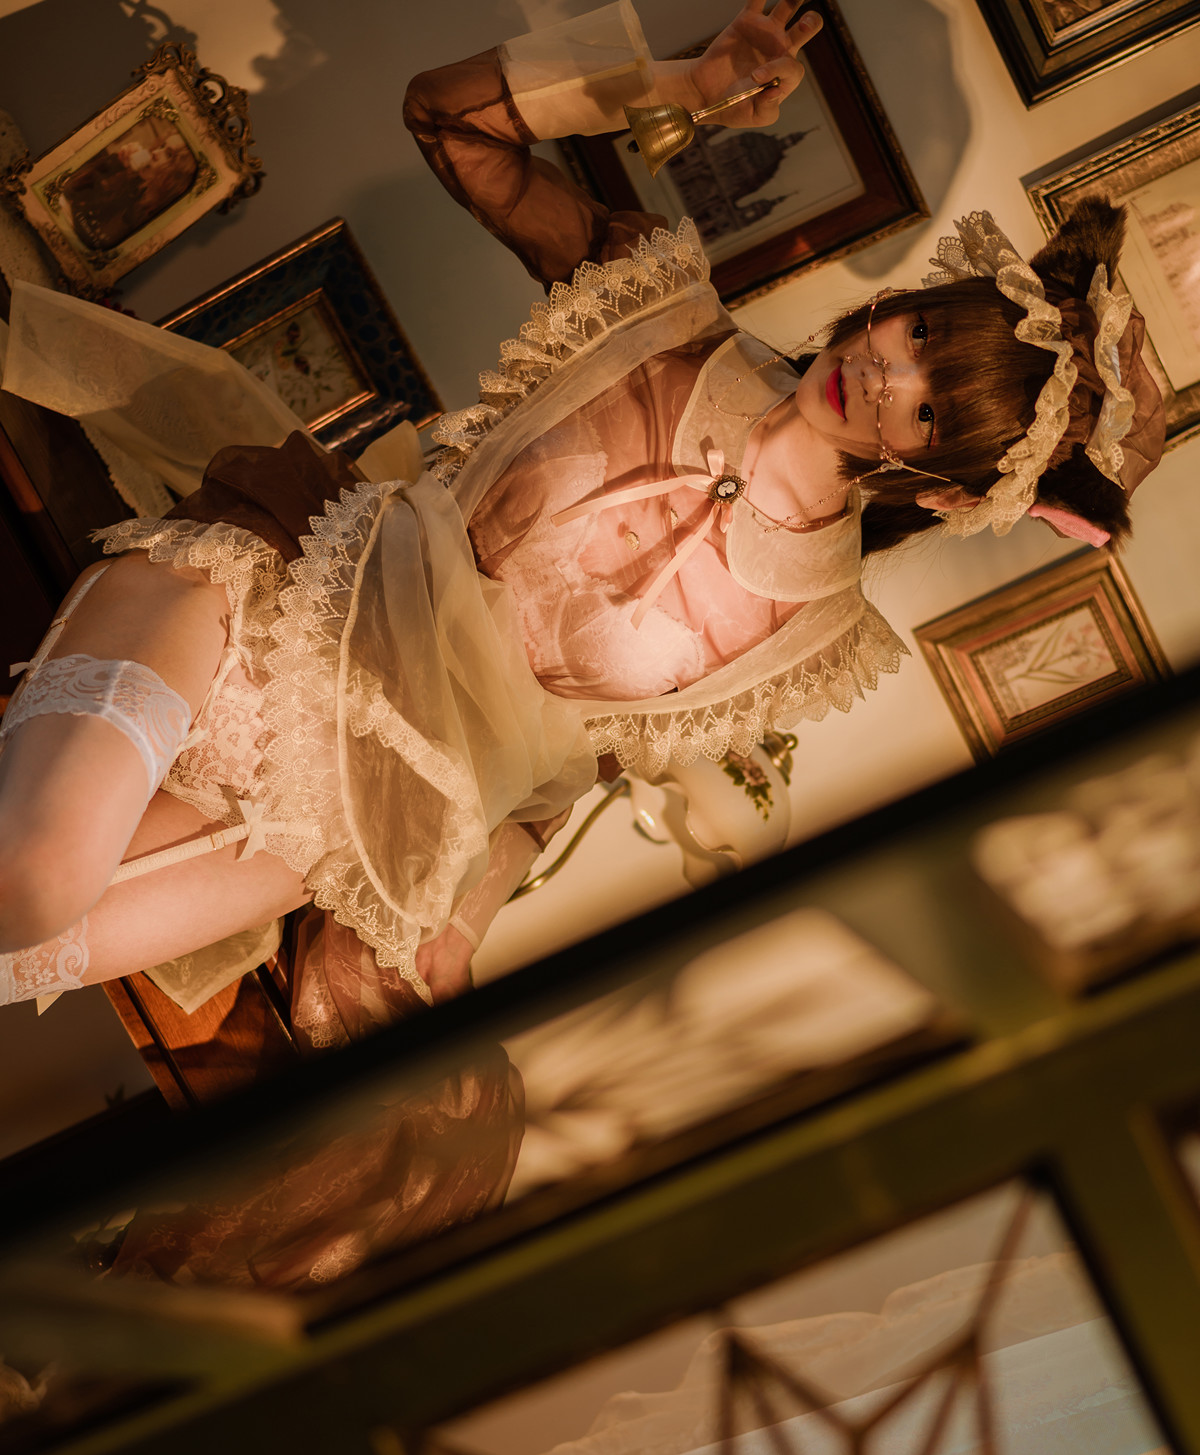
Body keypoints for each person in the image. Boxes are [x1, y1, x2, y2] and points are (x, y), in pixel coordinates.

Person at [0, 0, 1167, 1042]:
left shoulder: (813, 632)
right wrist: (675, 82)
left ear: (946, 477)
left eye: (927, 409)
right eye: (919, 334)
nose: (881, 373)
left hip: (346, 812)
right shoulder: (657, 302)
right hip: (277, 594)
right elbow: (445, 117)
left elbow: (565, 768)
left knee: (13, 956)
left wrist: (465, 922)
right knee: (33, 880)